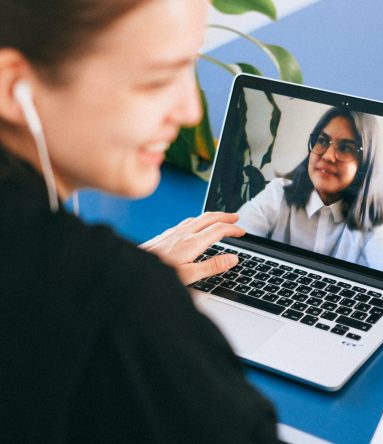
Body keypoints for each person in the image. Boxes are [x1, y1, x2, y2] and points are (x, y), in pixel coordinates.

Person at [0, 0, 280, 442]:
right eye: (156, 80)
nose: (190, 111)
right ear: (14, 84)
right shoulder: (125, 309)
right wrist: (127, 295)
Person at [237, 107, 383, 279]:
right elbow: (231, 240)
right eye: (322, 141)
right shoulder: (278, 194)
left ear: (364, 164)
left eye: (345, 148)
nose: (328, 156)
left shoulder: (370, 223)